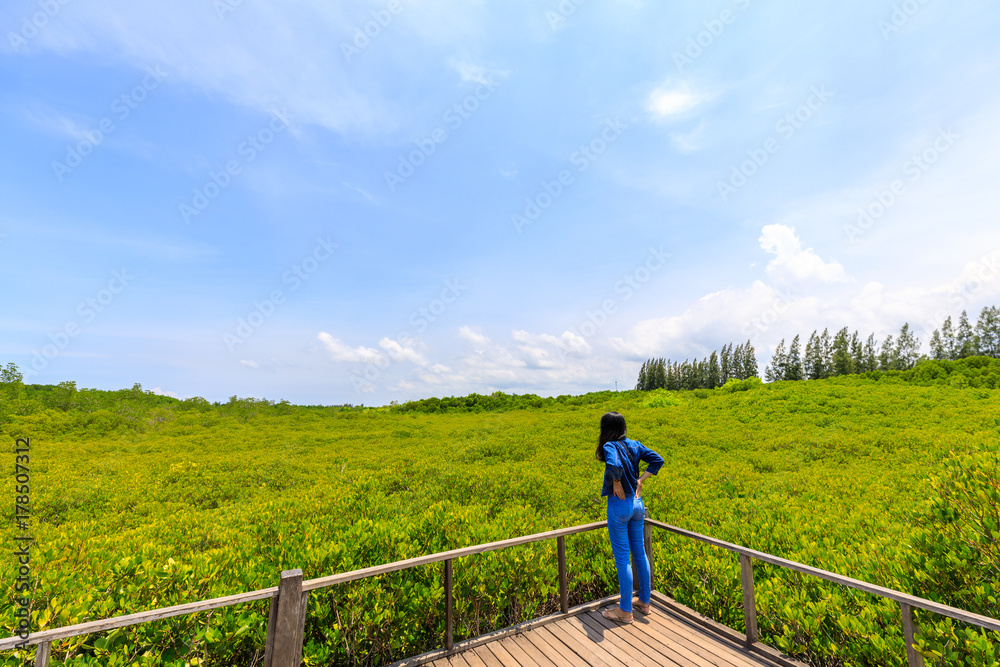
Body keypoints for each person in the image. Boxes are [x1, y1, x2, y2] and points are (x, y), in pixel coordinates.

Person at [596, 411, 664, 624]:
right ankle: (644, 602)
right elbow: (657, 460)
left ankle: (625, 611)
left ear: (605, 429)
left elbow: (614, 464)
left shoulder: (609, 446)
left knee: (623, 558)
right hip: (637, 505)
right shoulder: (634, 444)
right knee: (640, 554)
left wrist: (616, 482)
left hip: (619, 505)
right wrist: (641, 480)